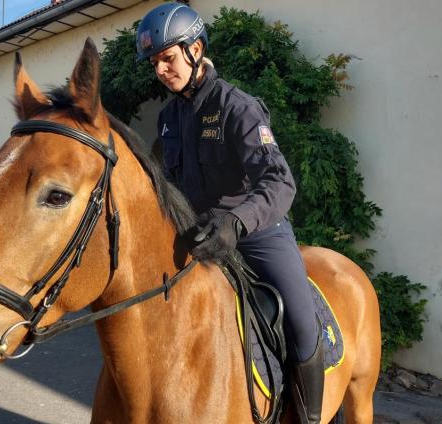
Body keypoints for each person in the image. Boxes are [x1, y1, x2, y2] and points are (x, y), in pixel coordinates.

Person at [136, 3, 324, 423]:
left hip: (257, 233)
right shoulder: (167, 120)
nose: (161, 70)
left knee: (300, 322)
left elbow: (279, 182)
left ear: (195, 48)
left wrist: (236, 222)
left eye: (167, 58)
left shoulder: (239, 108)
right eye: (155, 63)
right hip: (199, 236)